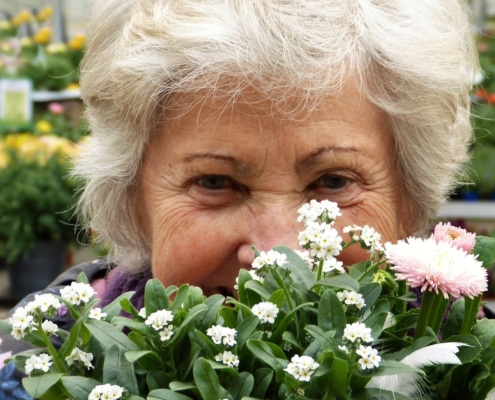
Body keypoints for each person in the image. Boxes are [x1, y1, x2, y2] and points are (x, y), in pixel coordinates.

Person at [0, 0, 478, 394]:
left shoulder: (477, 373)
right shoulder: (35, 373)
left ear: (408, 202)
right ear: (132, 200)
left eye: (334, 181)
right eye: (214, 183)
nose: (276, 254)